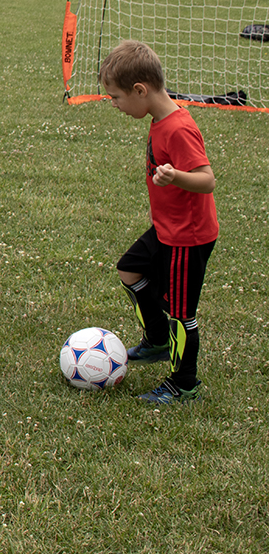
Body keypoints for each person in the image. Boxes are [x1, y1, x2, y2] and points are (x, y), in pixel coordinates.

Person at [99, 40, 217, 404]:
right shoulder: (159, 120)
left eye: (116, 97)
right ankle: (157, 340)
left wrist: (176, 177)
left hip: (187, 236)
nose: (114, 105)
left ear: (140, 90)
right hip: (167, 227)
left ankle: (184, 383)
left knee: (182, 313)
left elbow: (207, 179)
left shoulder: (178, 128)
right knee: (129, 270)